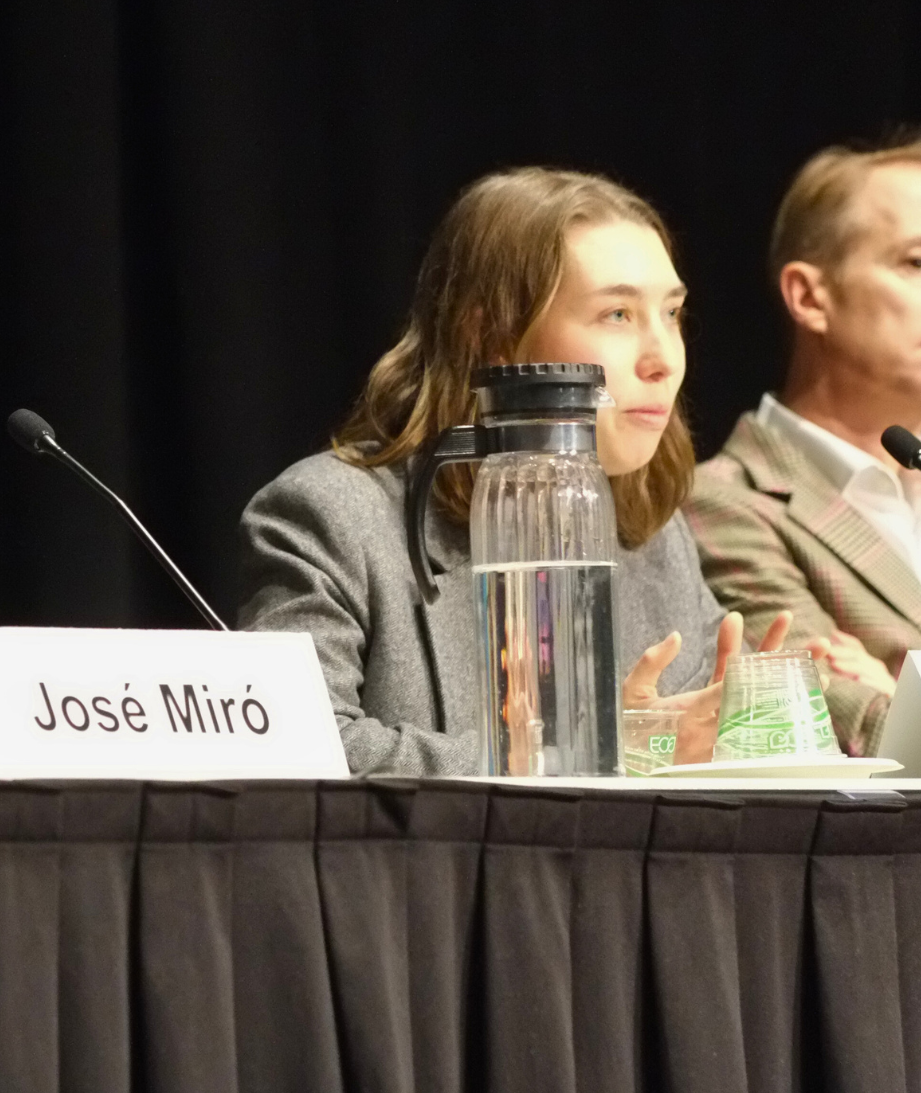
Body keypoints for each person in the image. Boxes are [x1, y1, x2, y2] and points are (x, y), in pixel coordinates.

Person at [238, 168, 817, 776]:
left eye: (671, 313)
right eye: (617, 314)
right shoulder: (330, 515)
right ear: (491, 336)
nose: (663, 359)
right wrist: (581, 758)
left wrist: (748, 732)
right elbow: (295, 751)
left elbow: (675, 762)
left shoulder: (653, 534)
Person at [687, 140, 921, 756]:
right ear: (810, 297)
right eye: (917, 263)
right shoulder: (723, 504)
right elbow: (848, 725)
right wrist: (890, 707)